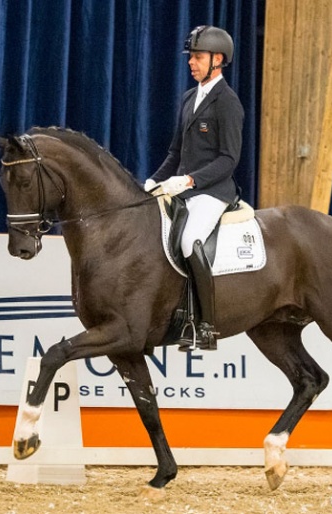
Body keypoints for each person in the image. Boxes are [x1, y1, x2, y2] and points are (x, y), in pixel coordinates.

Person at [145, 25, 244, 351]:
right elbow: (176, 152)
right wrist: (153, 181)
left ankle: (206, 325)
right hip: (183, 188)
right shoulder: (189, 98)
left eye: (198, 57)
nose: (191, 62)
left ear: (218, 60)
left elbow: (228, 159)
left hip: (213, 191)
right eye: (191, 57)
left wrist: (190, 180)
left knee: (190, 239)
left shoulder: (227, 102)